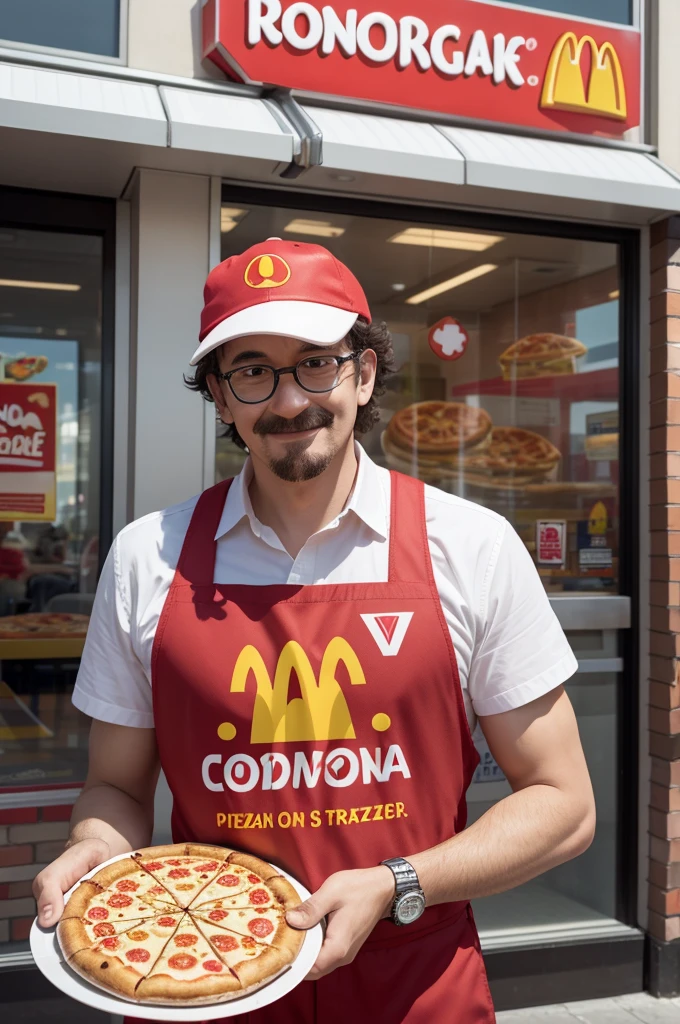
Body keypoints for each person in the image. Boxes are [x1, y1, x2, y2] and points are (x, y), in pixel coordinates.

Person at [33, 239, 595, 1023]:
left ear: (364, 374)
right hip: (205, 976)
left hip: (414, 978)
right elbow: (118, 787)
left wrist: (401, 882)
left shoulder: (469, 545)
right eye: (253, 370)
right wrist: (96, 848)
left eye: (317, 363)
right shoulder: (146, 558)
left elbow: (563, 803)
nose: (290, 399)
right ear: (222, 399)